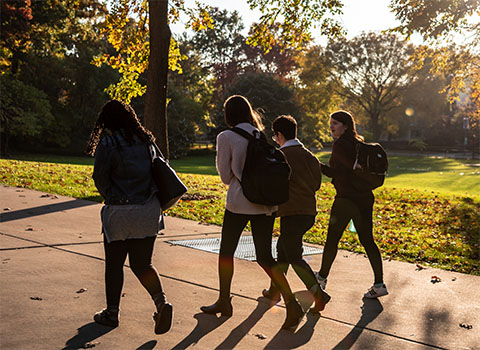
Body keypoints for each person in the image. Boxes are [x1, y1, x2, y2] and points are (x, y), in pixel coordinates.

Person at [200, 95, 304, 330]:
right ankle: (291, 302)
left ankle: (224, 301)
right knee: (265, 257)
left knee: (226, 252)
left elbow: (226, 177)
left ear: (229, 114)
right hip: (265, 204)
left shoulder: (226, 137)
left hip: (239, 203)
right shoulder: (259, 134)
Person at [85, 99, 173, 334]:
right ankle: (161, 303)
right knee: (143, 264)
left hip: (120, 212)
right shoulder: (147, 141)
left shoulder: (108, 142)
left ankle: (111, 313)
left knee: (114, 264)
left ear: (107, 121)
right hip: (148, 210)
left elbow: (100, 178)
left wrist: (111, 196)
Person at [261, 115, 331, 313]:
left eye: (275, 136)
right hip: (308, 211)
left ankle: (319, 294)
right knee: (283, 251)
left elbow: (275, 185)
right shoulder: (310, 156)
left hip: (291, 212)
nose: (275, 140)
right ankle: (275, 289)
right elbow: (316, 184)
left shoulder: (281, 155)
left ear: (280, 135)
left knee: (293, 255)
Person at [315, 110, 388, 298]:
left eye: (336, 123)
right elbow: (347, 170)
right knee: (367, 240)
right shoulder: (358, 144)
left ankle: (321, 279)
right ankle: (379, 284)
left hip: (346, 200)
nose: (332, 126)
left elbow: (339, 171)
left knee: (332, 240)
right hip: (364, 198)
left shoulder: (340, 144)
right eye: (331, 122)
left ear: (346, 126)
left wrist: (316, 165)